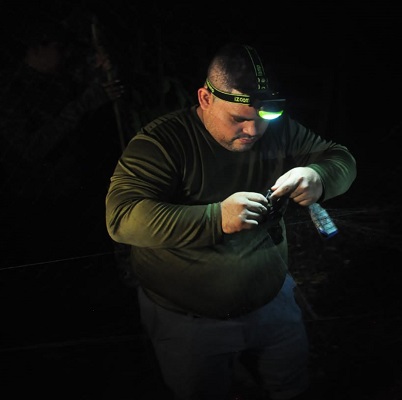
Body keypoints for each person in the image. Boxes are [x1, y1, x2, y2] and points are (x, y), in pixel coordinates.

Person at [105, 42, 357, 399]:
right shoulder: (161, 143)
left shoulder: (280, 130)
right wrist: (215, 218)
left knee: (291, 383)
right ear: (205, 99)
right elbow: (122, 217)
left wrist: (319, 176)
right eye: (238, 119)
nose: (253, 132)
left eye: (262, 119)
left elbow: (340, 158)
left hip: (272, 301)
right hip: (189, 321)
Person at [0, 16, 124, 267]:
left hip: (77, 185)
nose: (63, 55)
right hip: (40, 198)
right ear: (37, 49)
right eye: (57, 48)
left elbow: (90, 86)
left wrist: (101, 72)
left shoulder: (56, 76)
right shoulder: (8, 92)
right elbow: (32, 148)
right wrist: (83, 104)